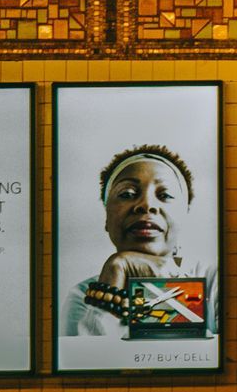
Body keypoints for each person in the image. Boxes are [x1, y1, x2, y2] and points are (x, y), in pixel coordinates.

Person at [60, 144, 219, 337]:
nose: (147, 205)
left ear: (184, 217)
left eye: (165, 195)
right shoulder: (82, 296)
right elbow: (89, 362)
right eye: (127, 194)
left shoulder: (216, 280)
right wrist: (117, 270)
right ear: (106, 218)